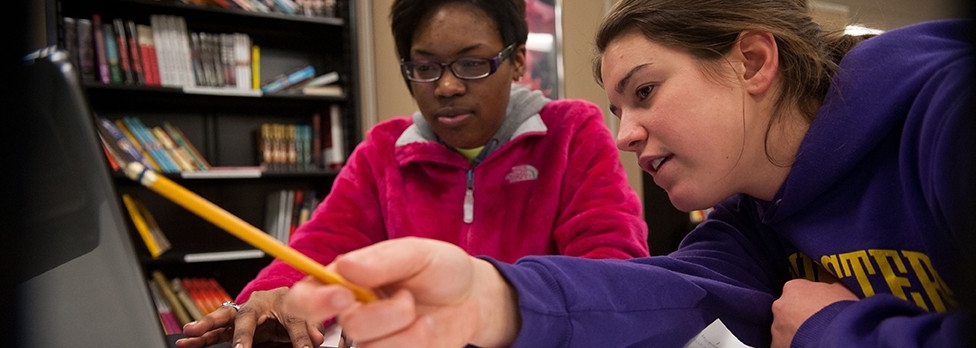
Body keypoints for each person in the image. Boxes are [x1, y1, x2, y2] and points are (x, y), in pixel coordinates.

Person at [280, 0, 976, 347]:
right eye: (617, 107)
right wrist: (496, 300)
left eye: (644, 92)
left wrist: (836, 334)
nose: (624, 134)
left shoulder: (945, 110)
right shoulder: (753, 215)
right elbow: (661, 288)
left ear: (755, 62)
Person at [175, 0, 649, 347]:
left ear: (517, 59)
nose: (446, 86)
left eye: (471, 63)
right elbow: (313, 251)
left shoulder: (571, 133)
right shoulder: (383, 151)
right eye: (425, 67)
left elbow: (611, 272)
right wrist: (266, 297)